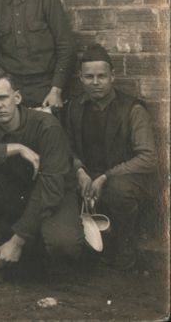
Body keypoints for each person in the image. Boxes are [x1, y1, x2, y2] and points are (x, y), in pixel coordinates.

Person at [0, 68, 83, 277]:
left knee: (64, 245)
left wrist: (17, 241)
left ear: (17, 97)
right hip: (17, 190)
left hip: (54, 195)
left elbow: (51, 188)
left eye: (3, 98)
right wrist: (15, 148)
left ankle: (25, 250)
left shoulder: (46, 126)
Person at [64, 44, 158, 270]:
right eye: (89, 77)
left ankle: (125, 248)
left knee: (118, 190)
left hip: (125, 180)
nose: (95, 82)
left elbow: (148, 157)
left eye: (101, 76)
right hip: (89, 175)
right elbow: (66, 147)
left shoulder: (132, 109)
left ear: (112, 76)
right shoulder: (73, 108)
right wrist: (79, 169)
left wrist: (107, 176)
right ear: (80, 78)